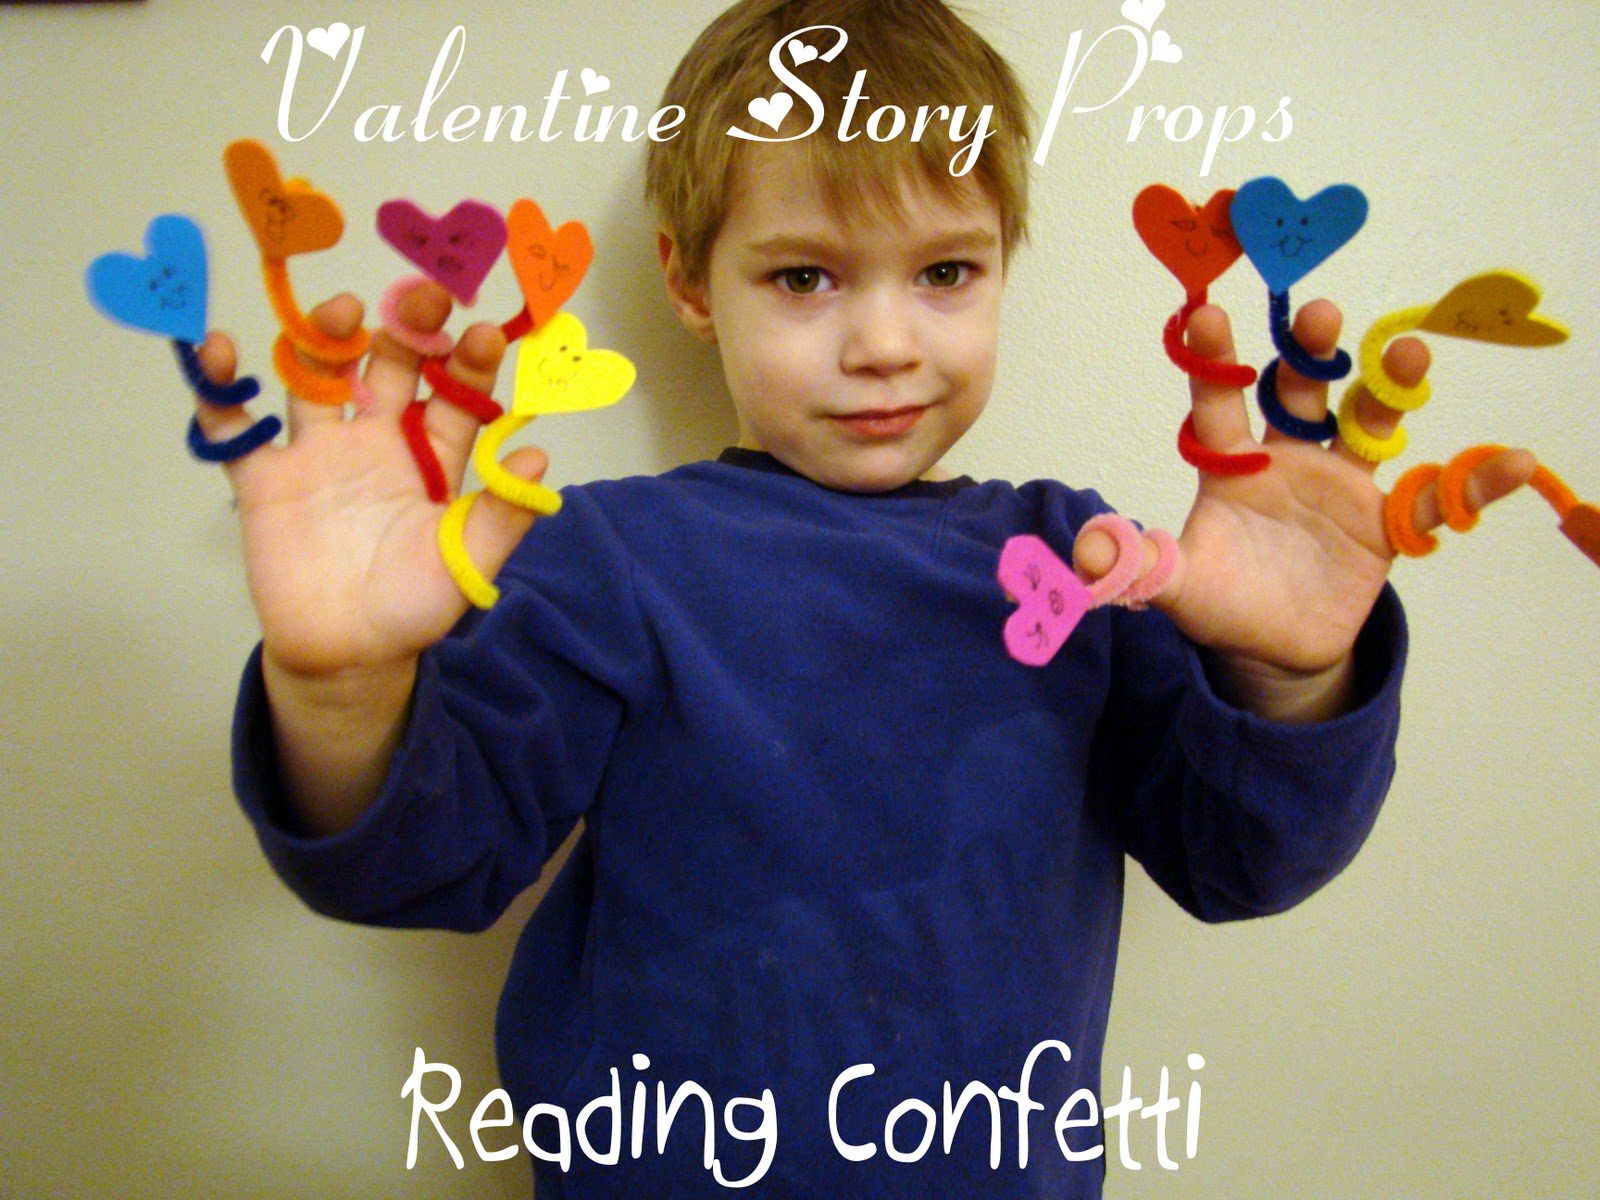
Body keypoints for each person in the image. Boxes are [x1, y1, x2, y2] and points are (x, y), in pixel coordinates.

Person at [195, 0, 1537, 1194]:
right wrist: (344, 686)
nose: (886, 342)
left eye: (945, 272)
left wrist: (1294, 679)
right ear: (688, 282)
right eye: (804, 277)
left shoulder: (1087, 561)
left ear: (1006, 261)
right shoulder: (607, 558)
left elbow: (1240, 861)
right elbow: (425, 864)